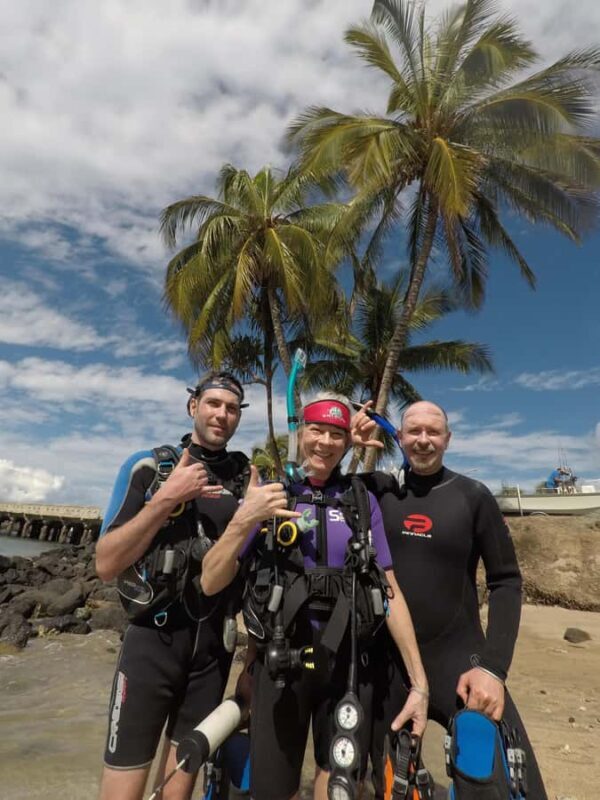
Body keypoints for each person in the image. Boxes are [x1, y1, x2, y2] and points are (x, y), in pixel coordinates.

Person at [200, 393, 429, 800]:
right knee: (273, 789)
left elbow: (389, 589)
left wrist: (419, 681)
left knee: (338, 784)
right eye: (316, 430)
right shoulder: (271, 495)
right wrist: (245, 517)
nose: (325, 442)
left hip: (348, 667)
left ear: (348, 442)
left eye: (336, 434)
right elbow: (211, 581)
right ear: (300, 433)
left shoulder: (361, 501)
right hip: (281, 664)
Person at [95, 372, 293, 800]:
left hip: (212, 655)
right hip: (151, 647)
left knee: (177, 790)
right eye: (213, 404)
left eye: (232, 408)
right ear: (193, 406)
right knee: (121, 790)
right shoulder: (149, 468)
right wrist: (167, 497)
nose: (222, 414)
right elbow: (106, 563)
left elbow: (260, 583)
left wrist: (250, 665)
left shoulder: (247, 482)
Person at [353, 400, 548, 799]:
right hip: (389, 666)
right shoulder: (377, 491)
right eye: (414, 431)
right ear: (399, 437)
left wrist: (493, 669)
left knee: (510, 786)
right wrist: (351, 448)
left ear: (448, 438)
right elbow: (326, 496)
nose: (423, 440)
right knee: (389, 783)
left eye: (433, 431)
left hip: (462, 663)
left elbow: (506, 581)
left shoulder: (472, 496)